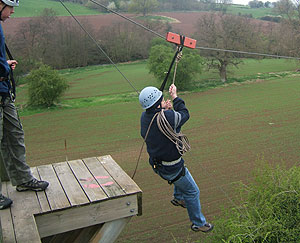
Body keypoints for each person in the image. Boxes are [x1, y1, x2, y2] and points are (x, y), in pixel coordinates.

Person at [139, 84, 213, 233]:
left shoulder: (146, 117)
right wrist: (175, 97)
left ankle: (178, 197)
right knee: (192, 191)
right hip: (171, 167)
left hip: (157, 165)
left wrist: (164, 110)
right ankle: (198, 223)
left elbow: (163, 125)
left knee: (179, 179)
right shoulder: (167, 117)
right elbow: (184, 115)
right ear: (157, 103)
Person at [0, 0, 49, 210]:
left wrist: (5, 65)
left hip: (3, 92)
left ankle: (22, 179)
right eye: (10, 7)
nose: (12, 12)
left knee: (14, 134)